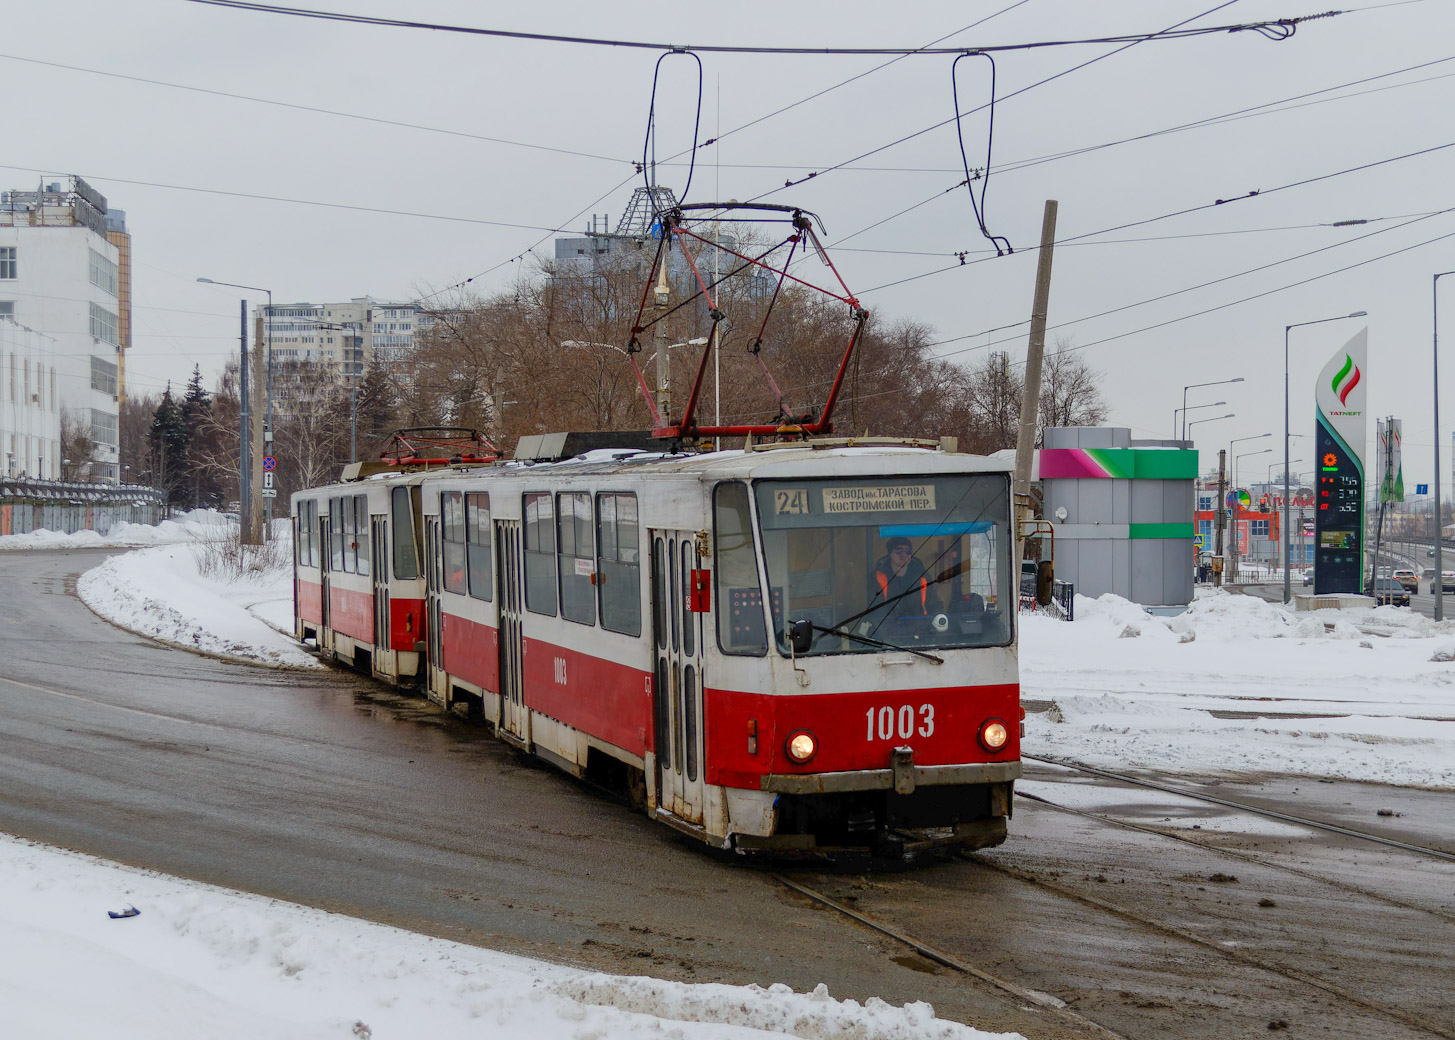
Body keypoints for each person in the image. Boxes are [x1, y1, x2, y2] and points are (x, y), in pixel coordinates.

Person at [866, 536, 933, 624]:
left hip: (919, 628)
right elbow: (876, 612)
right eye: (898, 550)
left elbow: (934, 605)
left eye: (908, 551)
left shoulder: (922, 577)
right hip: (888, 630)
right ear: (890, 554)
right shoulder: (877, 578)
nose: (903, 555)